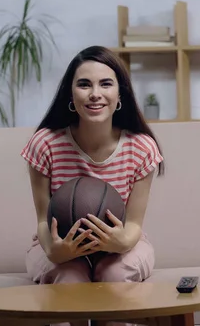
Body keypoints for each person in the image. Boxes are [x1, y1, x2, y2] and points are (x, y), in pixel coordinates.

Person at [20, 45, 164, 326]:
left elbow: (133, 225)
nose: (95, 93)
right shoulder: (45, 144)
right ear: (70, 94)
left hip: (123, 244)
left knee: (114, 275)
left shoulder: (142, 148)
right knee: (69, 277)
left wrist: (120, 242)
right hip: (57, 244)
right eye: (84, 84)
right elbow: (41, 221)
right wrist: (56, 251)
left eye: (105, 84)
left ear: (120, 93)